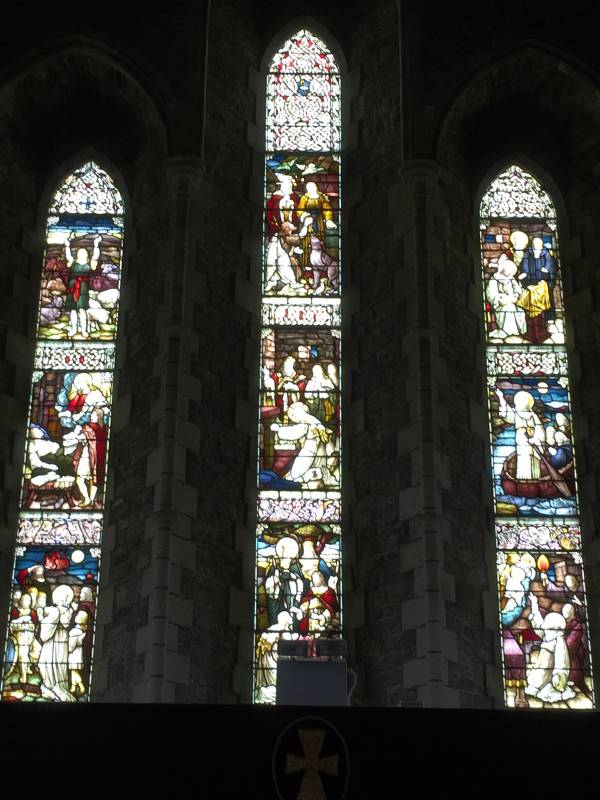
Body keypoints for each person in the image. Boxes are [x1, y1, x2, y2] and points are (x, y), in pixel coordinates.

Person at [270, 401, 337, 489]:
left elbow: (292, 432)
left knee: (295, 474)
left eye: (293, 416)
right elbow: (330, 446)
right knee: (316, 466)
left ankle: (308, 478)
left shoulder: (306, 425)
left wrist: (278, 429)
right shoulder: (319, 425)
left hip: (308, 452)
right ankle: (316, 475)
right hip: (320, 454)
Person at [495, 388, 545, 480]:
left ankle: (535, 480)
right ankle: (524, 479)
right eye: (520, 401)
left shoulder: (533, 415)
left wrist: (535, 439)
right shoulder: (516, 413)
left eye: (524, 400)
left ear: (527, 403)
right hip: (522, 442)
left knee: (534, 461)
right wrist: (501, 397)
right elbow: (506, 415)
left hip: (533, 442)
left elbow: (540, 429)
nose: (521, 402)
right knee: (523, 459)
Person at [38, 584, 76, 702]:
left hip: (61, 639)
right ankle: (47, 686)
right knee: (44, 662)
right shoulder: (52, 609)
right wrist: (52, 613)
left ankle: (59, 688)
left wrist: (62, 612)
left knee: (59, 663)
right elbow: (43, 622)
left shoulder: (69, 610)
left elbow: (65, 623)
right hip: (50, 640)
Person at [64, 232, 102, 338]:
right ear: (77, 255)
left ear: (87, 255)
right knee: (73, 310)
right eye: (79, 252)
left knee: (82, 310)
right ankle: (74, 329)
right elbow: (68, 256)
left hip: (83, 289)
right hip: (72, 287)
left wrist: (96, 244)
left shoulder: (89, 264)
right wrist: (67, 245)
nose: (81, 253)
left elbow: (95, 257)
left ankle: (84, 330)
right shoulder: (73, 263)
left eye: (83, 252)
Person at [296, 181, 337, 268]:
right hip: (308, 221)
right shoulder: (304, 198)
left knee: (319, 241)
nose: (312, 188)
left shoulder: (321, 197)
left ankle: (320, 264)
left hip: (319, 222)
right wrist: (304, 216)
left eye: (313, 186)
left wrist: (328, 220)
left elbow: (327, 209)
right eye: (309, 187)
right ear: (307, 189)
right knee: (307, 242)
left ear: (316, 187)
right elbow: (300, 209)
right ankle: (306, 264)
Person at [486, 254, 527, 339]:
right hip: (501, 304)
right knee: (509, 308)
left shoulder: (511, 278)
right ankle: (507, 331)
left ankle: (516, 331)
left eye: (511, 272)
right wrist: (500, 299)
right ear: (504, 269)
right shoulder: (494, 279)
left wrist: (516, 295)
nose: (510, 274)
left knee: (519, 310)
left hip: (512, 300)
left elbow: (517, 288)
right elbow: (491, 293)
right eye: (509, 271)